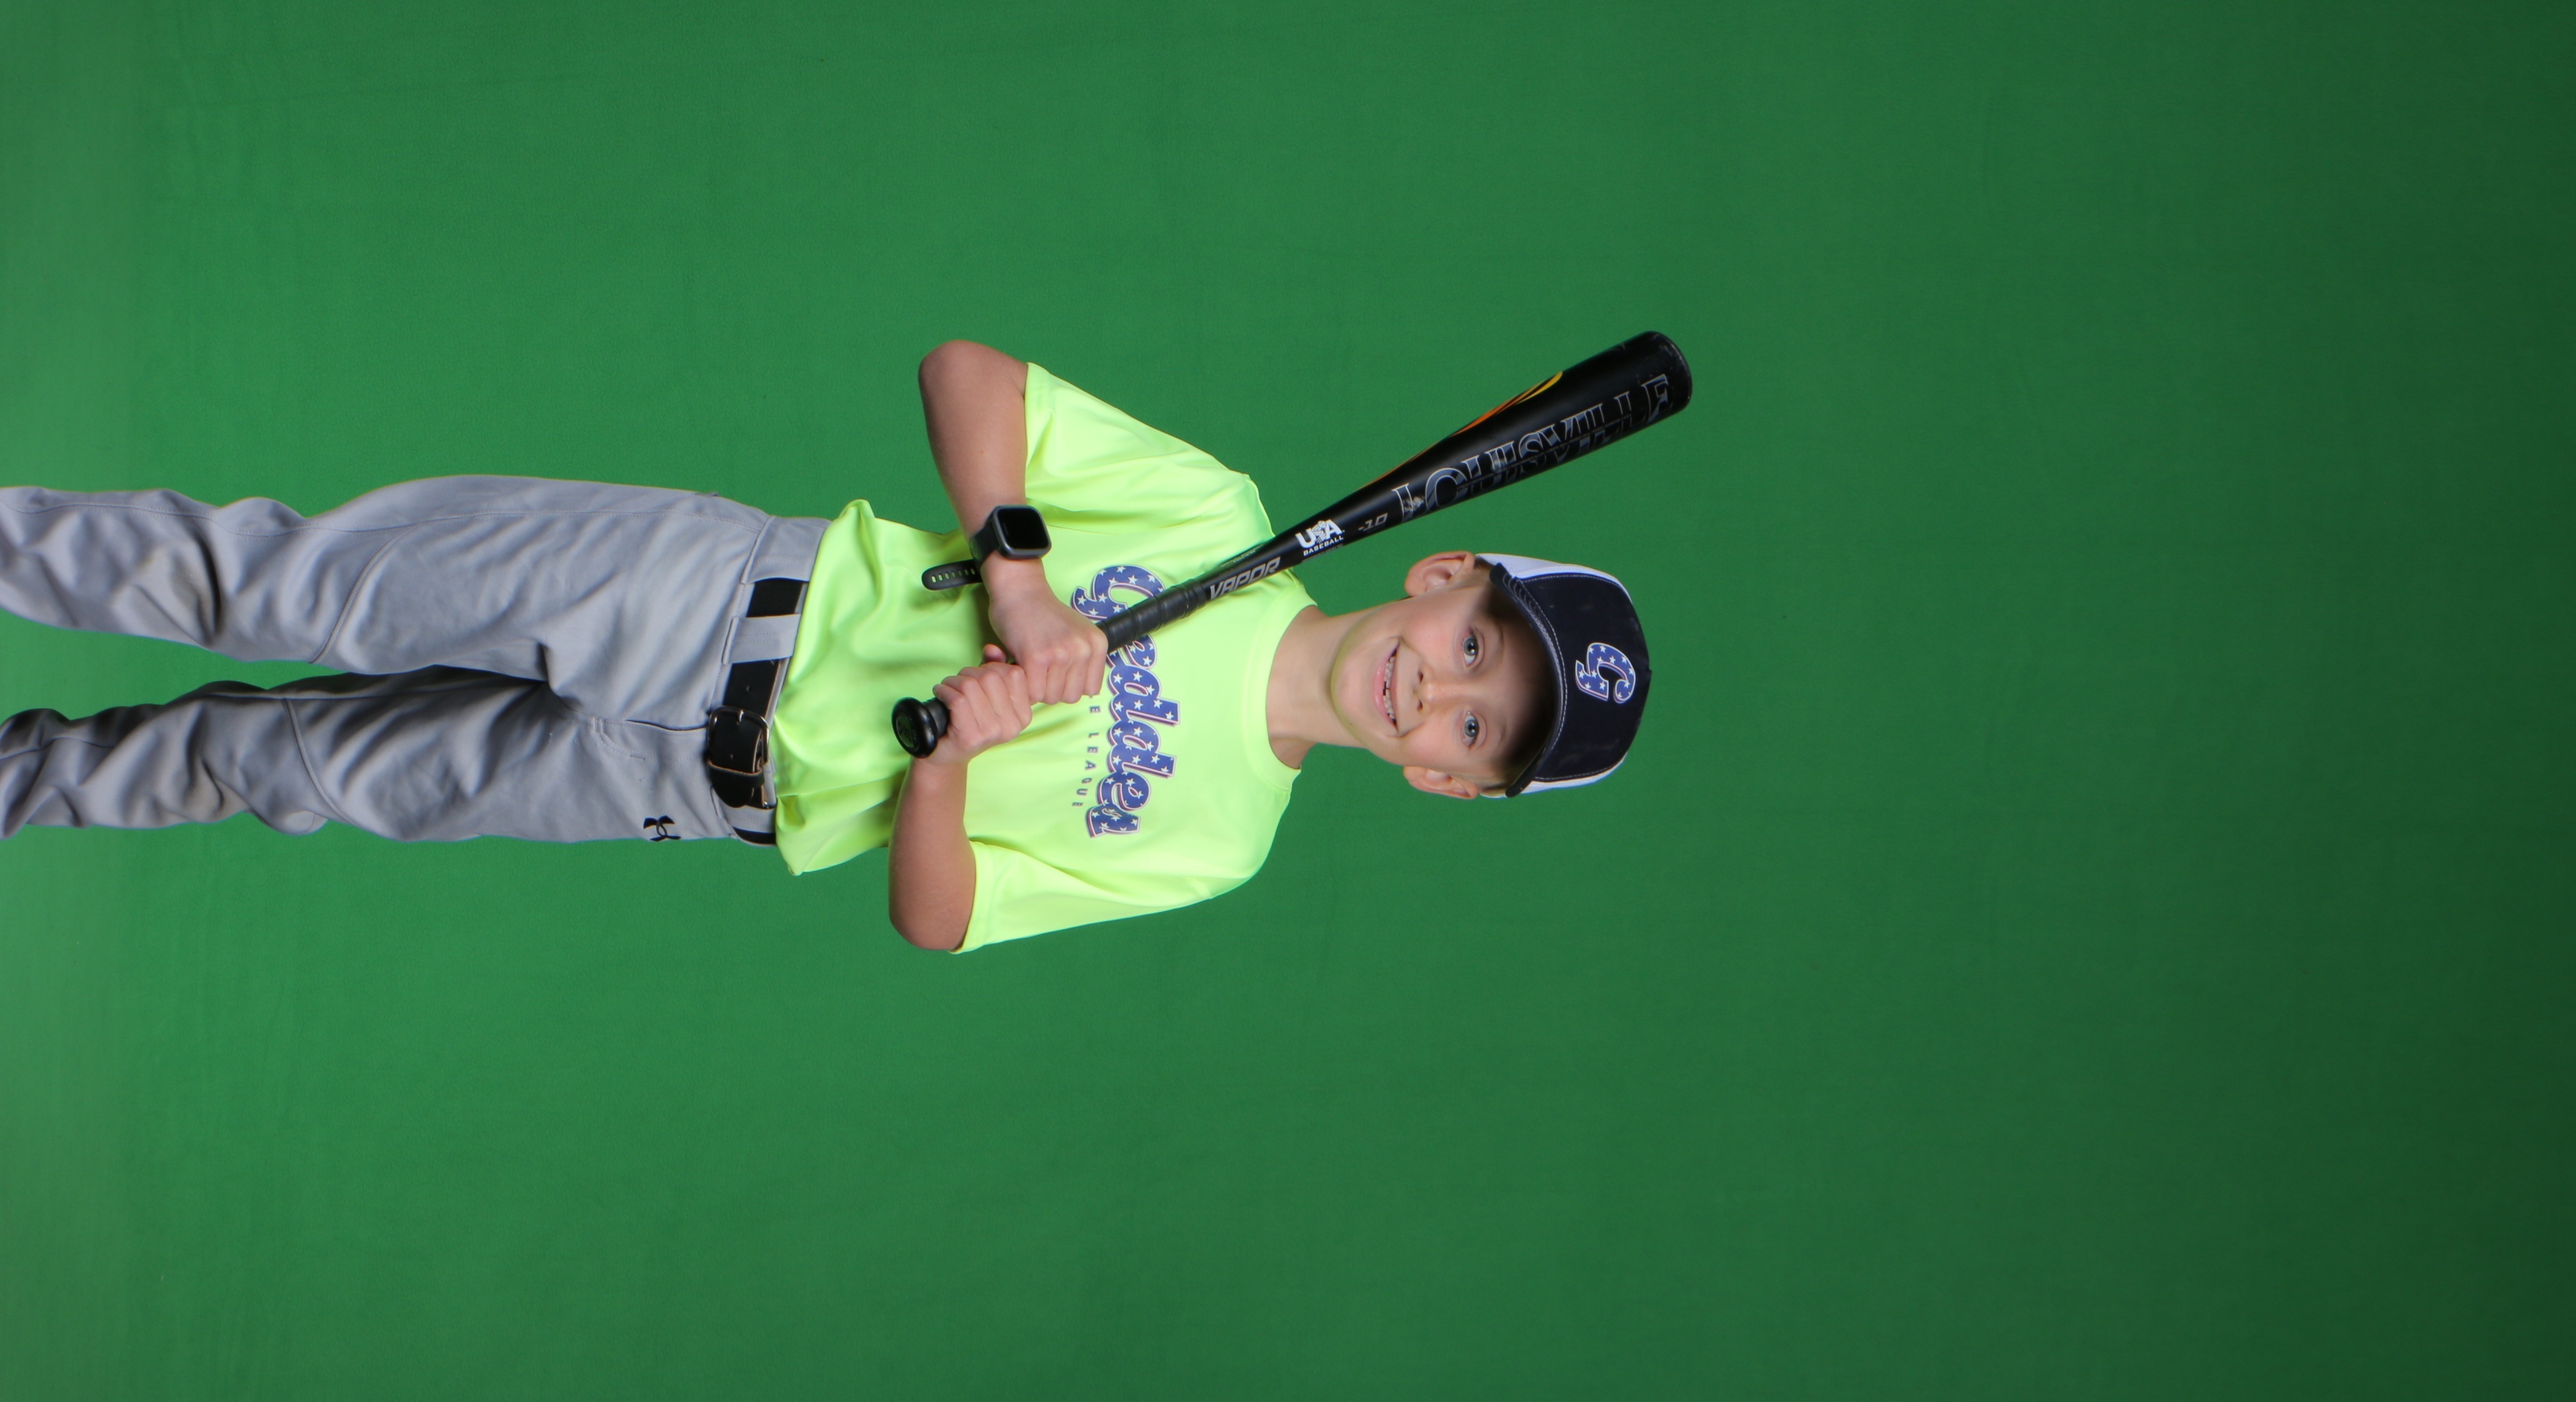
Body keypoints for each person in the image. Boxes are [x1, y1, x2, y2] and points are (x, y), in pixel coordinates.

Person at [0, 341, 1651, 951]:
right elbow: (966, 375)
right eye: (1476, 641)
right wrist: (1019, 578)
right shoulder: (1216, 514)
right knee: (279, 589)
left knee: (275, 764)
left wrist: (950, 768)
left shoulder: (1218, 844)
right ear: (1443, 570)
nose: (1441, 687)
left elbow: (943, 915)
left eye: (1478, 728)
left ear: (1448, 783)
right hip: (703, 595)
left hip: (683, 793)